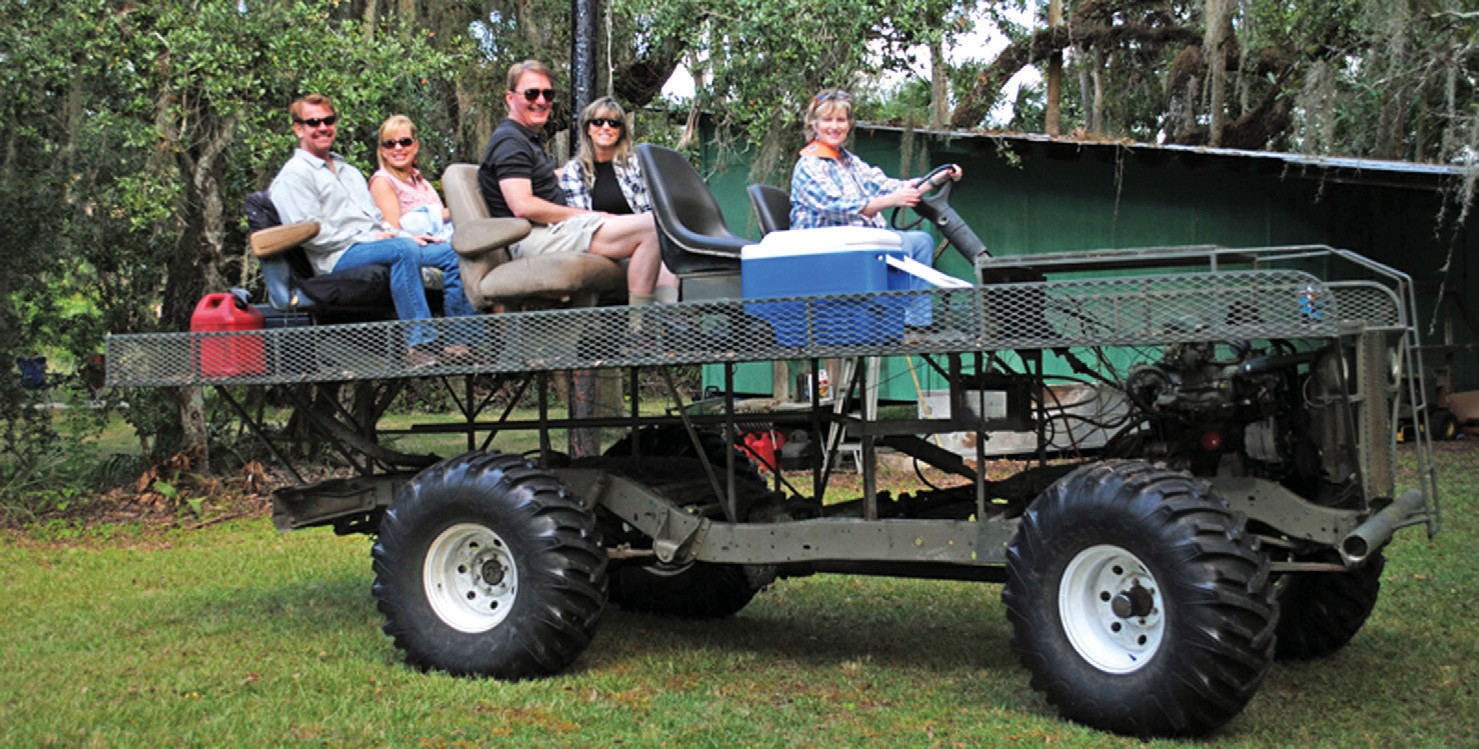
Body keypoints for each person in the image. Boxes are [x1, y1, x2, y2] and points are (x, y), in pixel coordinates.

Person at [269, 94, 473, 366]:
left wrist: (406, 235)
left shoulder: (349, 171)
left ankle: (461, 345)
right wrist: (380, 240)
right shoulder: (294, 175)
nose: (322, 127)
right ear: (298, 129)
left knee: (454, 253)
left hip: (375, 245)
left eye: (328, 120)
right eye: (313, 122)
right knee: (402, 250)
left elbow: (377, 222)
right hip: (336, 256)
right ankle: (420, 344)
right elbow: (310, 234)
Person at [477, 60, 677, 304]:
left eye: (547, 94)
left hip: (551, 231)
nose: (541, 101)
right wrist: (593, 216)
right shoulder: (510, 142)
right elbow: (523, 206)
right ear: (510, 98)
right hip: (532, 236)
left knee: (654, 233)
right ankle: (641, 331)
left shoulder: (526, 141)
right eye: (531, 93)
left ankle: (667, 323)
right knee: (648, 228)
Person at [789, 89, 962, 329]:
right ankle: (894, 319)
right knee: (899, 245)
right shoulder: (810, 165)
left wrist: (938, 178)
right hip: (827, 248)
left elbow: (888, 186)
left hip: (859, 241)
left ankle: (916, 325)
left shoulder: (849, 162)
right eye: (827, 120)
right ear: (814, 124)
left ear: (849, 125)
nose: (834, 126)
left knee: (921, 241)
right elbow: (838, 207)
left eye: (841, 120)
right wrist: (893, 200)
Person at [559, 97, 651, 215]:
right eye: (598, 122)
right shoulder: (575, 170)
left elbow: (649, 211)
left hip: (639, 230)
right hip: (596, 231)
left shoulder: (635, 165)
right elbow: (580, 220)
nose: (606, 127)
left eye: (614, 123)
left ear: (621, 132)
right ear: (588, 129)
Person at [369, 114, 453, 241]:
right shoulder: (382, 182)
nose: (398, 148)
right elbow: (393, 232)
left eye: (405, 142)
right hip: (420, 251)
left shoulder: (422, 183)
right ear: (383, 151)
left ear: (415, 146)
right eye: (390, 144)